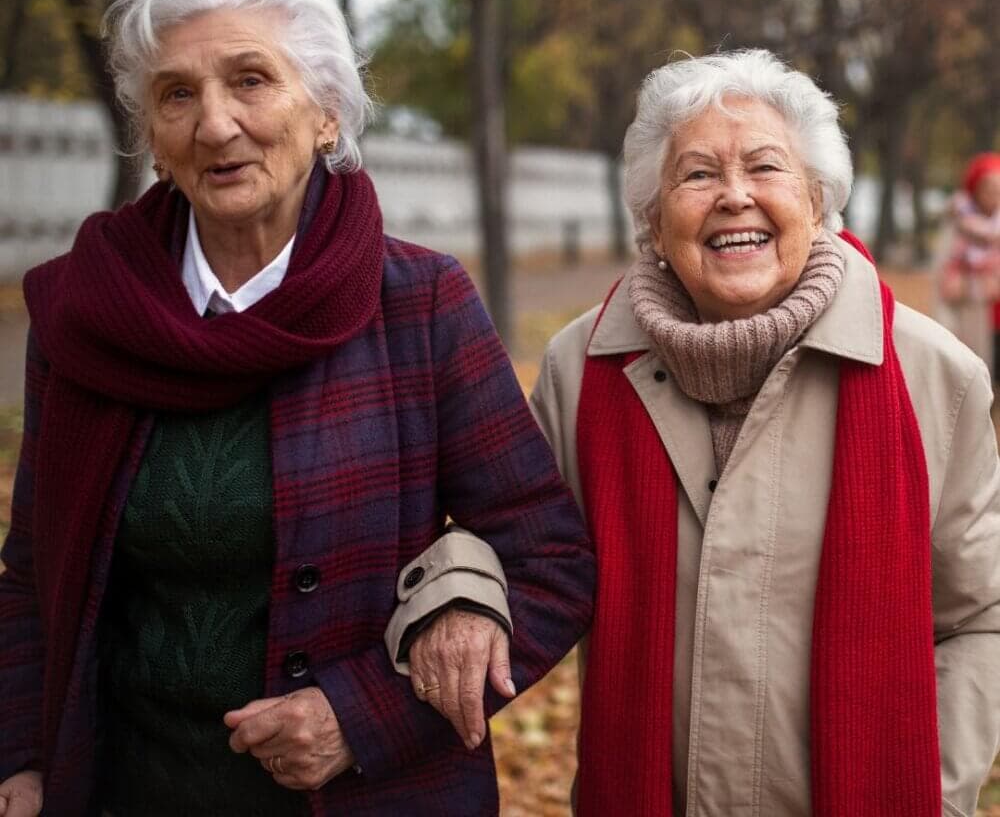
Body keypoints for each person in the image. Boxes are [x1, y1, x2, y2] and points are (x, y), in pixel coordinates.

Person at [0, 0, 595, 817]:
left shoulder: (419, 302)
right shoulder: (83, 311)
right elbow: (30, 578)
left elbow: (552, 560)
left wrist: (363, 717)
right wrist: (19, 758)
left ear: (326, 115)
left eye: (251, 81)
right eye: (176, 95)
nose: (215, 125)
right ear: (154, 141)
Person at [397, 50, 1000, 816]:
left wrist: (932, 798)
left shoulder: (933, 376)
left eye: (766, 167)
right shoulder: (581, 370)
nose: (734, 197)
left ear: (818, 199)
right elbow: (518, 542)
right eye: (698, 174)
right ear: (652, 217)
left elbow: (978, 618)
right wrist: (461, 597)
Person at [936, 152, 1000, 381]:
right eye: (989, 189)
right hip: (962, 307)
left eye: (998, 190)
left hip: (990, 312)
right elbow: (944, 272)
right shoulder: (959, 223)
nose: (994, 196)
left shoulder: (996, 228)